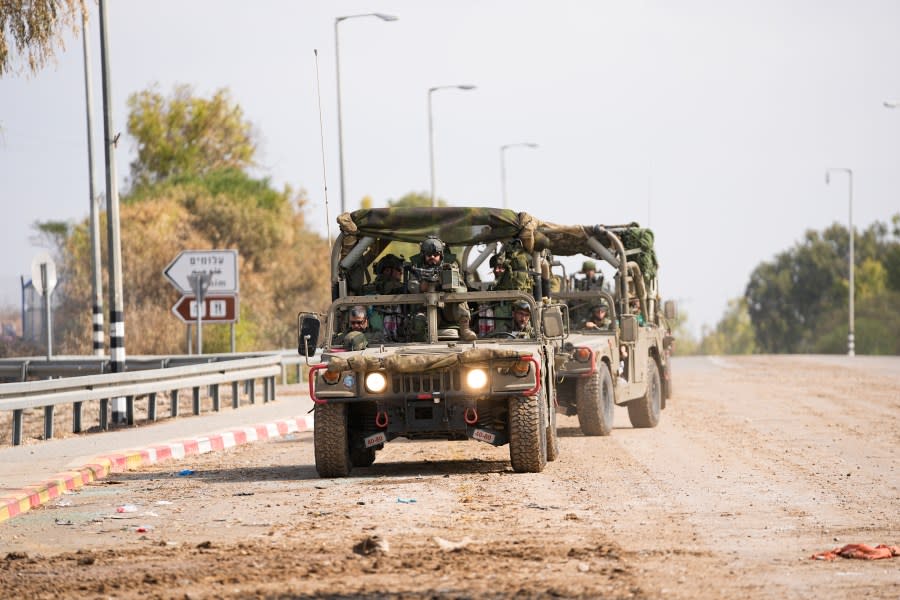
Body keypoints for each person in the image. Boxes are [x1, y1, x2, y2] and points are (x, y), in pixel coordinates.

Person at [408, 235, 476, 341]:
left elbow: (462, 291)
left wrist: (445, 283)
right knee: (419, 320)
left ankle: (465, 330)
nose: (432, 257)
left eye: (436, 255)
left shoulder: (450, 267)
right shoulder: (417, 269)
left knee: (461, 302)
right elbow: (412, 288)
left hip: (449, 311)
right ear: (423, 255)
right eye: (429, 255)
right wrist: (424, 285)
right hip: (426, 310)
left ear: (441, 255)